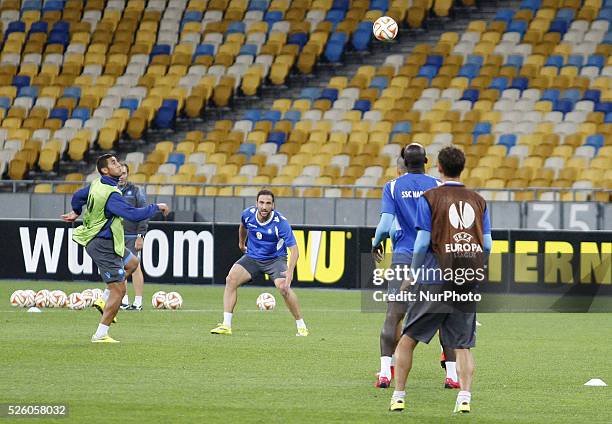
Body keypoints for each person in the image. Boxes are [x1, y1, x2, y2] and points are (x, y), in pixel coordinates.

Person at [389, 146, 492, 413]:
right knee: (463, 344)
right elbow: (488, 243)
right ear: (463, 168)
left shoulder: (431, 197)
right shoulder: (479, 200)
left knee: (408, 338)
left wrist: (412, 273)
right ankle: (465, 398)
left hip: (436, 274)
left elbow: (422, 241)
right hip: (466, 275)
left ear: (439, 168)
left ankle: (399, 395)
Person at [62, 154, 169, 343]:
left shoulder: (97, 185)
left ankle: (104, 298)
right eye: (113, 163)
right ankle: (100, 334)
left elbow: (78, 196)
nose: (118, 165)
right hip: (102, 245)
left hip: (110, 242)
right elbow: (133, 214)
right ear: (105, 170)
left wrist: (76, 211)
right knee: (119, 291)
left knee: (133, 263)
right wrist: (157, 207)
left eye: (118, 162)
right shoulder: (110, 194)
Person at [371, 144, 443, 388]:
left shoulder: (392, 186)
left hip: (403, 255)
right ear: (427, 160)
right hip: (433, 257)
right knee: (446, 315)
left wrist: (376, 242)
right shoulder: (438, 186)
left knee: (394, 314)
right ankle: (452, 374)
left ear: (403, 161)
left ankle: (384, 371)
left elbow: (384, 225)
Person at [210, 189, 308, 336]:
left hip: (275, 259)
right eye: (261, 203)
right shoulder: (248, 214)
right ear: (256, 203)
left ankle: (301, 326)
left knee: (284, 288)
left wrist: (290, 271)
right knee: (231, 279)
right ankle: (226, 325)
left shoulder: (280, 223)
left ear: (273, 205)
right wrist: (241, 243)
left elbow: (295, 250)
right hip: (253, 258)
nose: (264, 206)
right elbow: (243, 226)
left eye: (268, 203)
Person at [118, 164, 149, 311]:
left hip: (131, 235)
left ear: (128, 174)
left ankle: (138, 302)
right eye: (119, 173)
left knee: (135, 267)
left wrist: (140, 235)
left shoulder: (136, 191)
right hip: (117, 235)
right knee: (119, 267)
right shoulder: (111, 190)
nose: (121, 175)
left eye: (124, 173)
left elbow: (143, 213)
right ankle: (123, 300)